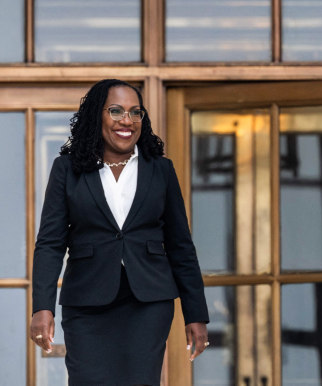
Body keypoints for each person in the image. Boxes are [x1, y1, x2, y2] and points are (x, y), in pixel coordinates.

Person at [30, 79, 209, 385]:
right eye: (116, 111)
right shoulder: (67, 169)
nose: (126, 120)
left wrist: (196, 314)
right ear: (96, 115)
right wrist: (42, 308)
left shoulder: (160, 170)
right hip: (87, 301)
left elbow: (180, 245)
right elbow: (50, 243)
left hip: (148, 302)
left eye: (135, 112)